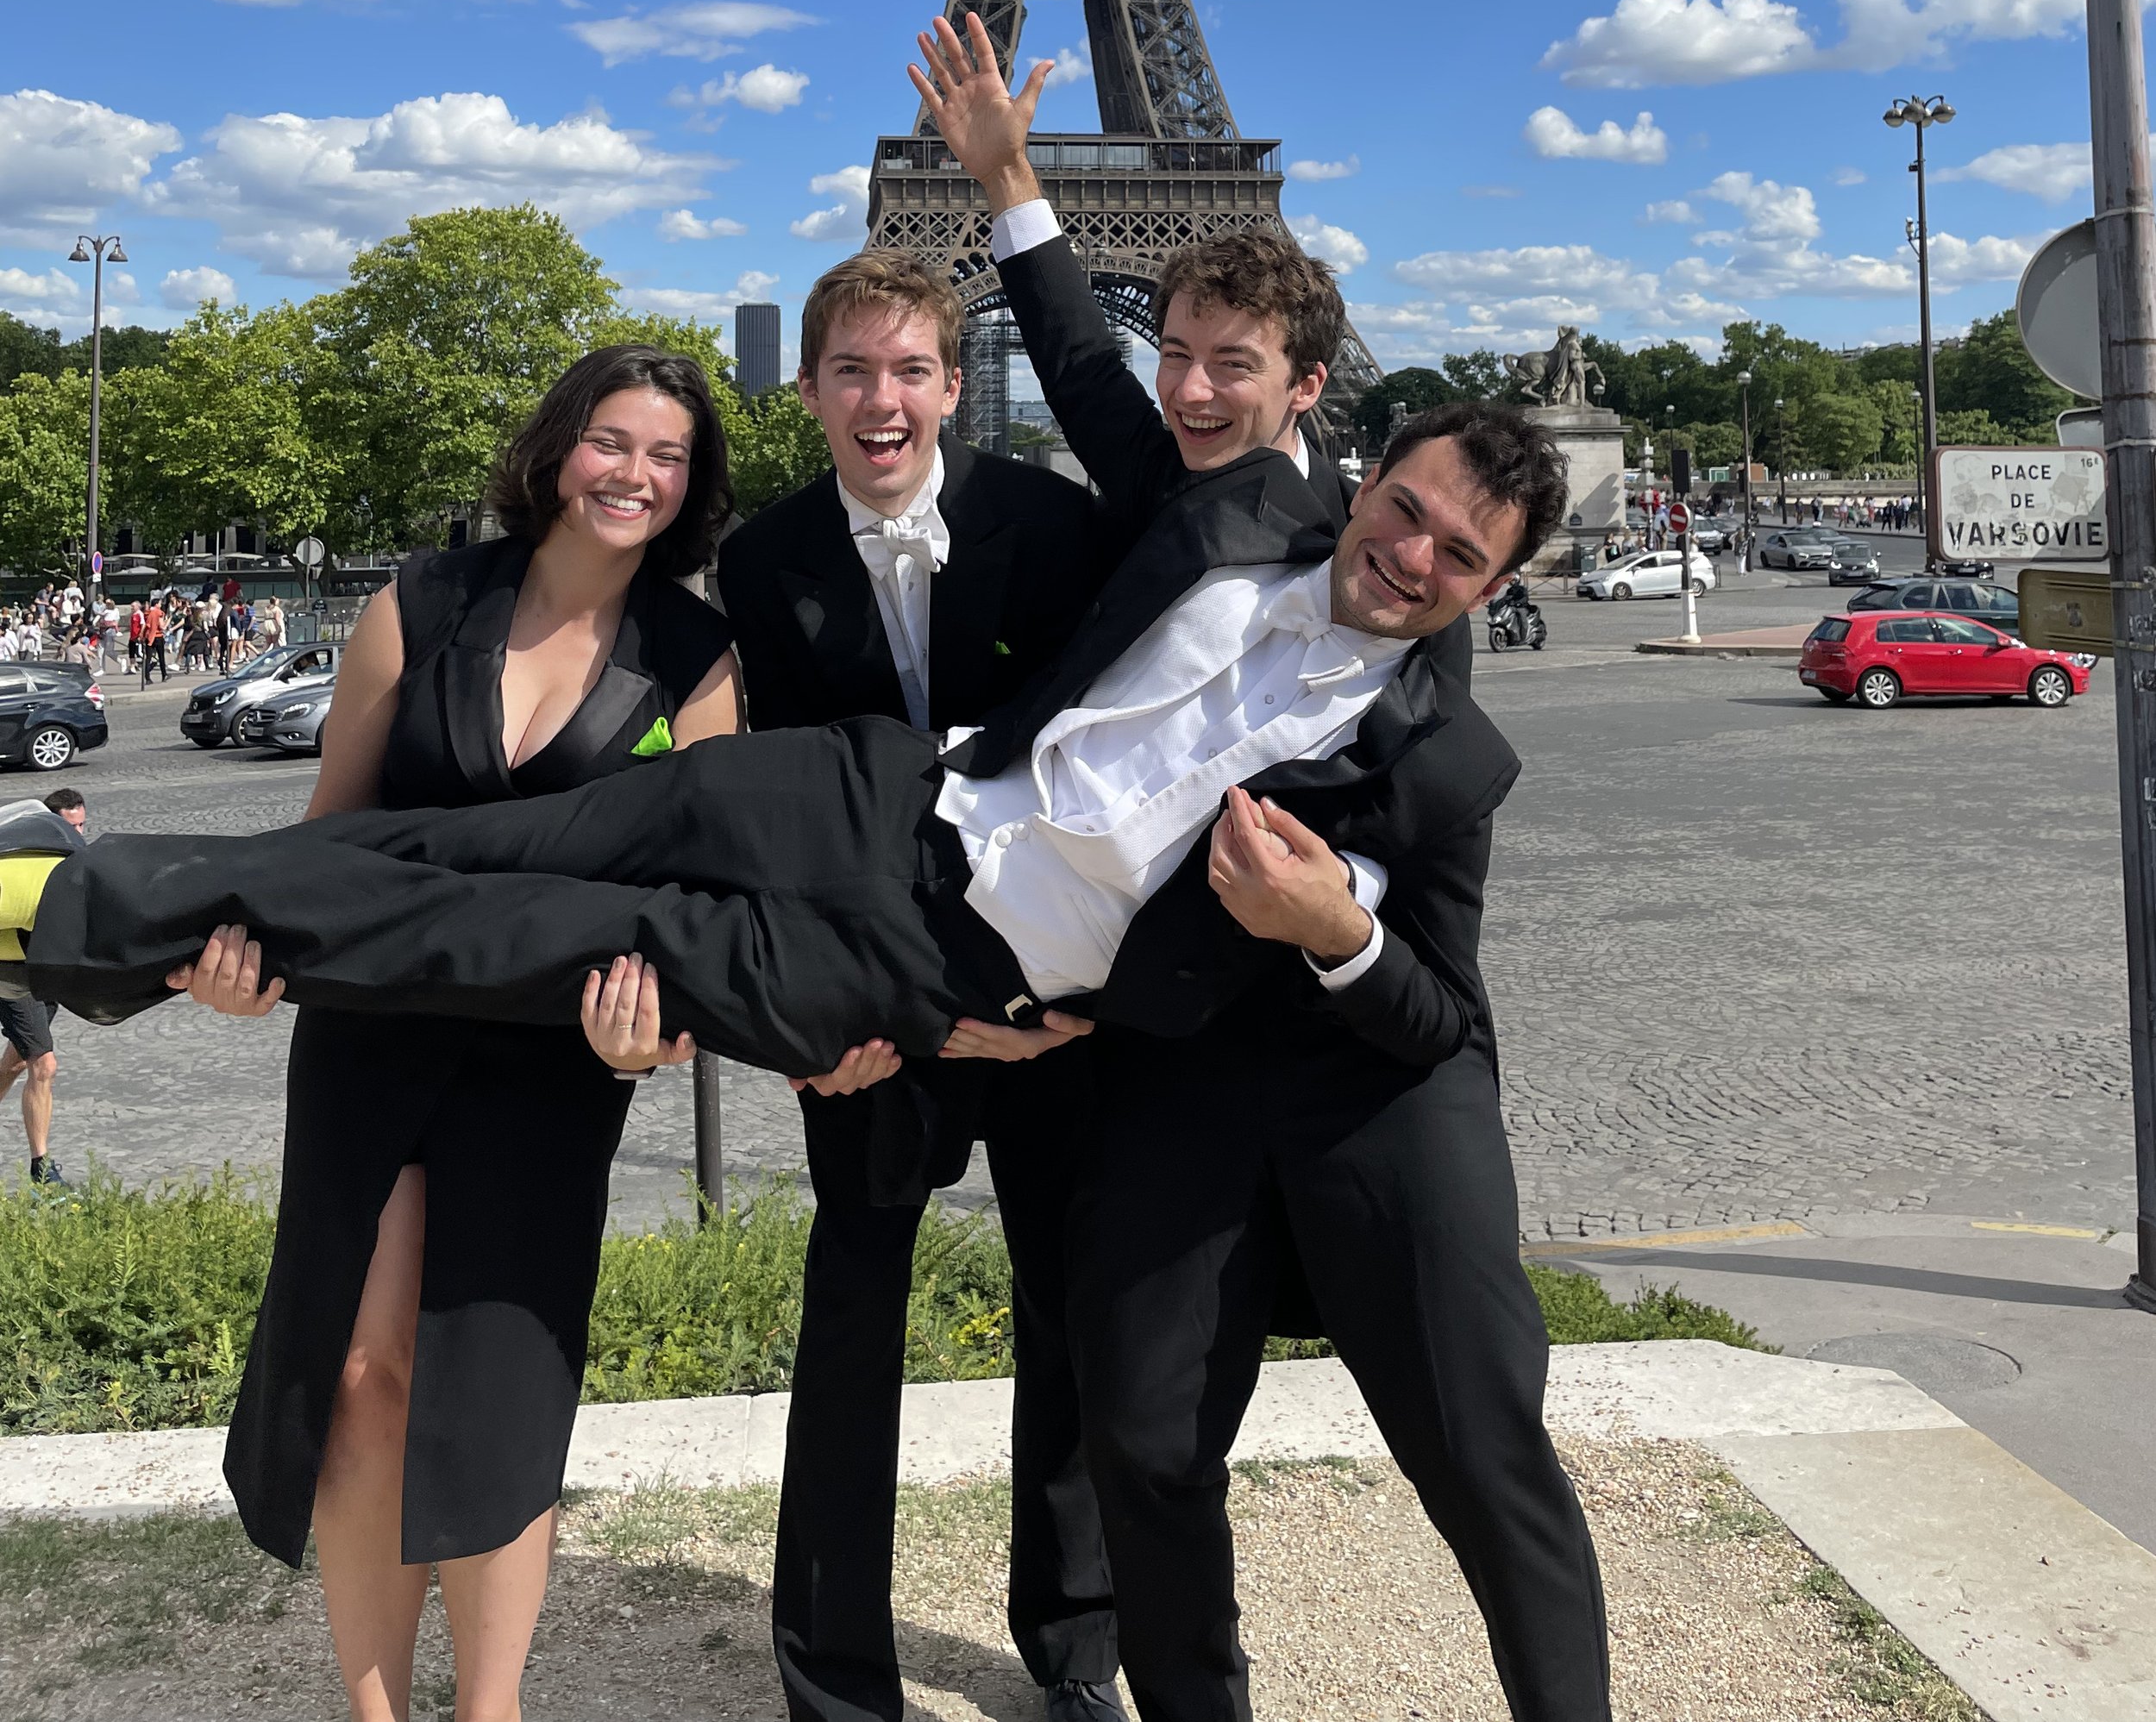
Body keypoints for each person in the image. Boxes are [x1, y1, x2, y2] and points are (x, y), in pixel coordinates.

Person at [6, 404, 1608, 1722]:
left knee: (532, 940)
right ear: (1362, 468)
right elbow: (1109, 376)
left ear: (1497, 581)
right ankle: (93, 890)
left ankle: (71, 926)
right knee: (505, 839)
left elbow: (1434, 1013)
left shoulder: (1442, 763)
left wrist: (1331, 925)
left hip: (931, 966)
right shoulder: (1243, 508)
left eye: (1458, 554)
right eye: (1402, 507)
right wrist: (1011, 185)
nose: (1408, 553)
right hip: (881, 793)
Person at [109, 348, 739, 1722]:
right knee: (358, 1365)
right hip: (376, 1031)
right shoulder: (422, 603)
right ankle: (376, 1710)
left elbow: (694, 904)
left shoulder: (697, 664)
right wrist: (242, 962)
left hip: (552, 1055)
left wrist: (658, 1041)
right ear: (560, 447)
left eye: (668, 455)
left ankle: (490, 1709)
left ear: (692, 486)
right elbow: (328, 837)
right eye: (612, 441)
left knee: (496, 1392)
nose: (636, 473)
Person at [715, 247, 1119, 1722]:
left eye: (908, 370)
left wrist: (1068, 997)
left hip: (1047, 992)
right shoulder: (762, 564)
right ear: (810, 385)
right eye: (850, 370)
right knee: (851, 1322)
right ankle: (832, 1671)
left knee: (1070, 1311)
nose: (880, 400)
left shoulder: (1054, 523)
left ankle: (1076, 1642)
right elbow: (776, 823)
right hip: (876, 1009)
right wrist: (834, 1017)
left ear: (956, 382)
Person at [908, 15, 1352, 538]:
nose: (1190, 391)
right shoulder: (1155, 480)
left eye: (1233, 363)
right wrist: (1005, 171)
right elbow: (1081, 365)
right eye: (1176, 355)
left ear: (1305, 384)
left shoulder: (1377, 542)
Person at [0, 787, 87, 1195]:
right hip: (12, 966)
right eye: (71, 827)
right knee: (43, 1063)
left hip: (46, 962)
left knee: (16, 1063)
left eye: (83, 826)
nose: (78, 836)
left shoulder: (75, 863)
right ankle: (42, 1168)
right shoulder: (25, 859)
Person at [139, 597, 166, 686]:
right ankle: (164, 675)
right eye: (160, 603)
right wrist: (168, 621)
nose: (161, 605)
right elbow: (162, 626)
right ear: (156, 604)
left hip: (148, 637)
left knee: (148, 658)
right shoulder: (159, 612)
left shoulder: (147, 613)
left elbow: (146, 625)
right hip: (158, 636)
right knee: (161, 657)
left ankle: (147, 678)